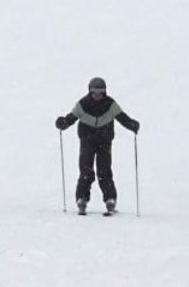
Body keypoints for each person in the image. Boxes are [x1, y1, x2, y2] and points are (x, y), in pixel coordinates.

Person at [55, 77, 139, 215]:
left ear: (105, 92)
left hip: (104, 140)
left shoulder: (110, 104)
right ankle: (82, 198)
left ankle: (110, 199)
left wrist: (132, 125)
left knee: (104, 170)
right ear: (90, 92)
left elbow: (122, 117)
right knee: (86, 170)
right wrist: (63, 123)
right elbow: (71, 117)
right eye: (94, 92)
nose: (97, 96)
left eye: (100, 92)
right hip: (87, 140)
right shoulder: (83, 104)